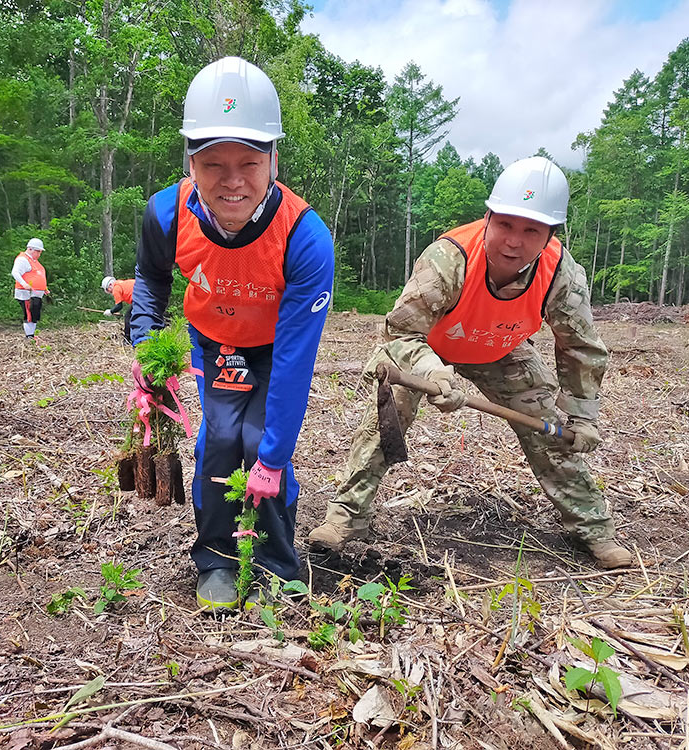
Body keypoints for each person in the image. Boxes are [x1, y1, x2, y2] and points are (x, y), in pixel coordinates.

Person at [308, 157, 633, 570]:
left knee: (551, 430)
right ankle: (347, 517)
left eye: (531, 230)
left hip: (500, 349)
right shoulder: (449, 258)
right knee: (386, 418)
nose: (514, 241)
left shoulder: (560, 274)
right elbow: (401, 333)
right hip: (426, 350)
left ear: (551, 235)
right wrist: (432, 372)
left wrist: (582, 415)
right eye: (505, 225)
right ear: (488, 217)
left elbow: (581, 347)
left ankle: (594, 529)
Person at [130, 57, 335, 610]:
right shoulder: (166, 213)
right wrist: (147, 348)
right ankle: (215, 560)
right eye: (213, 163)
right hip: (215, 341)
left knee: (261, 445)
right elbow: (150, 280)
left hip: (274, 349)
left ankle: (276, 565)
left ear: (274, 159)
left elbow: (296, 360)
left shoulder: (304, 237)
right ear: (190, 162)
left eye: (249, 161)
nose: (233, 180)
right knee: (219, 442)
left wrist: (271, 459)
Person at [12, 238, 48, 340]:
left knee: (35, 313)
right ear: (31, 249)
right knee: (29, 313)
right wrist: (24, 284)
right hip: (26, 293)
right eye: (38, 251)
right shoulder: (22, 259)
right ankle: (29, 336)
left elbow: (37, 275)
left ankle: (32, 335)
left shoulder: (34, 261)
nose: (39, 254)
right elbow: (15, 273)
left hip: (36, 293)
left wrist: (44, 288)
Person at [101, 276, 135, 343]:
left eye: (108, 290)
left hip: (138, 297)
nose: (109, 292)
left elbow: (119, 306)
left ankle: (127, 338)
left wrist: (111, 311)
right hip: (143, 293)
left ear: (110, 285)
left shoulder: (116, 288)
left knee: (128, 316)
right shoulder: (120, 283)